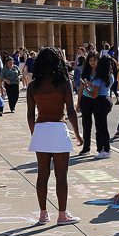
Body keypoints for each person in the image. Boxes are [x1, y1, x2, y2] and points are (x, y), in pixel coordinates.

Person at [27, 46, 83, 226]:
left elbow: (30, 114)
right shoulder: (64, 83)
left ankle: (43, 214)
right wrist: (77, 133)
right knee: (61, 176)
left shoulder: (32, 86)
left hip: (41, 129)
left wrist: (34, 132)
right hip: (58, 130)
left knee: (42, 176)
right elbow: (71, 112)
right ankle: (62, 215)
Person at [89, 54, 115, 158]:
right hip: (107, 99)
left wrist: (87, 88)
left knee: (101, 127)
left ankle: (105, 149)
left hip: (99, 101)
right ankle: (104, 148)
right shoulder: (110, 76)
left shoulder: (98, 77)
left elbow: (94, 94)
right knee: (103, 125)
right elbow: (103, 88)